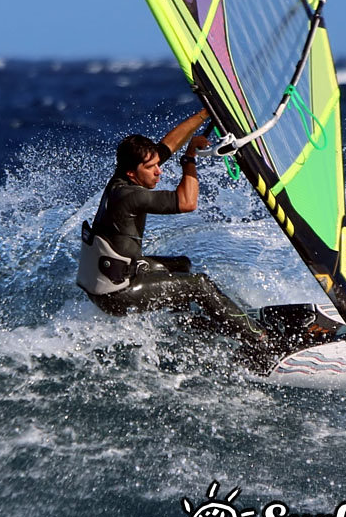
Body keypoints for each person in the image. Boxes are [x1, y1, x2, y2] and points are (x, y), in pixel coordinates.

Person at [76, 107, 267, 351]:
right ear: (132, 172)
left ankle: (188, 327)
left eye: (157, 164)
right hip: (117, 295)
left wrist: (206, 113)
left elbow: (167, 145)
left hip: (114, 277)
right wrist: (189, 159)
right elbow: (187, 202)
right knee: (199, 284)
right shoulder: (129, 196)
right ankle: (259, 339)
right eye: (152, 168)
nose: (159, 171)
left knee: (182, 266)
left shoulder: (123, 176)